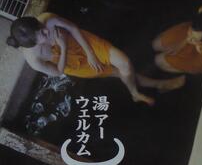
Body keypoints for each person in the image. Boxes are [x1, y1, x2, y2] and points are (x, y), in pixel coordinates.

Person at [6, 13, 184, 105]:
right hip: (72, 63)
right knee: (117, 72)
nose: (46, 30)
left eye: (41, 27)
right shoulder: (33, 59)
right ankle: (139, 91)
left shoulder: (47, 19)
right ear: (33, 44)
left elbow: (73, 28)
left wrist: (90, 53)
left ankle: (140, 91)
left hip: (81, 41)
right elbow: (58, 72)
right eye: (43, 35)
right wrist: (63, 46)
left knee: (125, 63)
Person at [151, 6, 202, 74]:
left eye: (194, 39)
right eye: (191, 31)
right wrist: (182, 43)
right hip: (193, 39)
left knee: (158, 60)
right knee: (155, 44)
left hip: (197, 59)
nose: (189, 39)